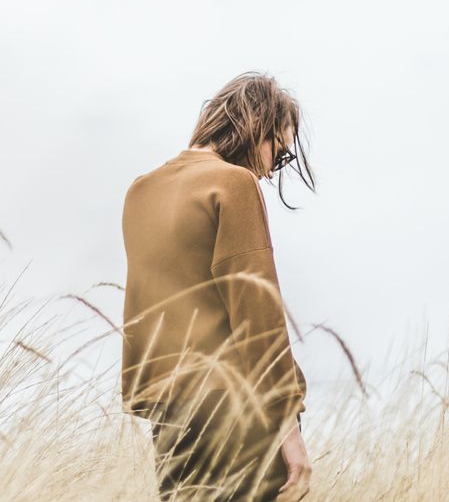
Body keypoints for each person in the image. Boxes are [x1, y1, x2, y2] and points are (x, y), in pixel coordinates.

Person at [121, 71, 316, 501]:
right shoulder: (233, 182)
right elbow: (256, 313)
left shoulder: (140, 192)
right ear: (255, 127)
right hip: (241, 416)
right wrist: (290, 432)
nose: (269, 170)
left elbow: (142, 309)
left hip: (171, 421)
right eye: (277, 153)